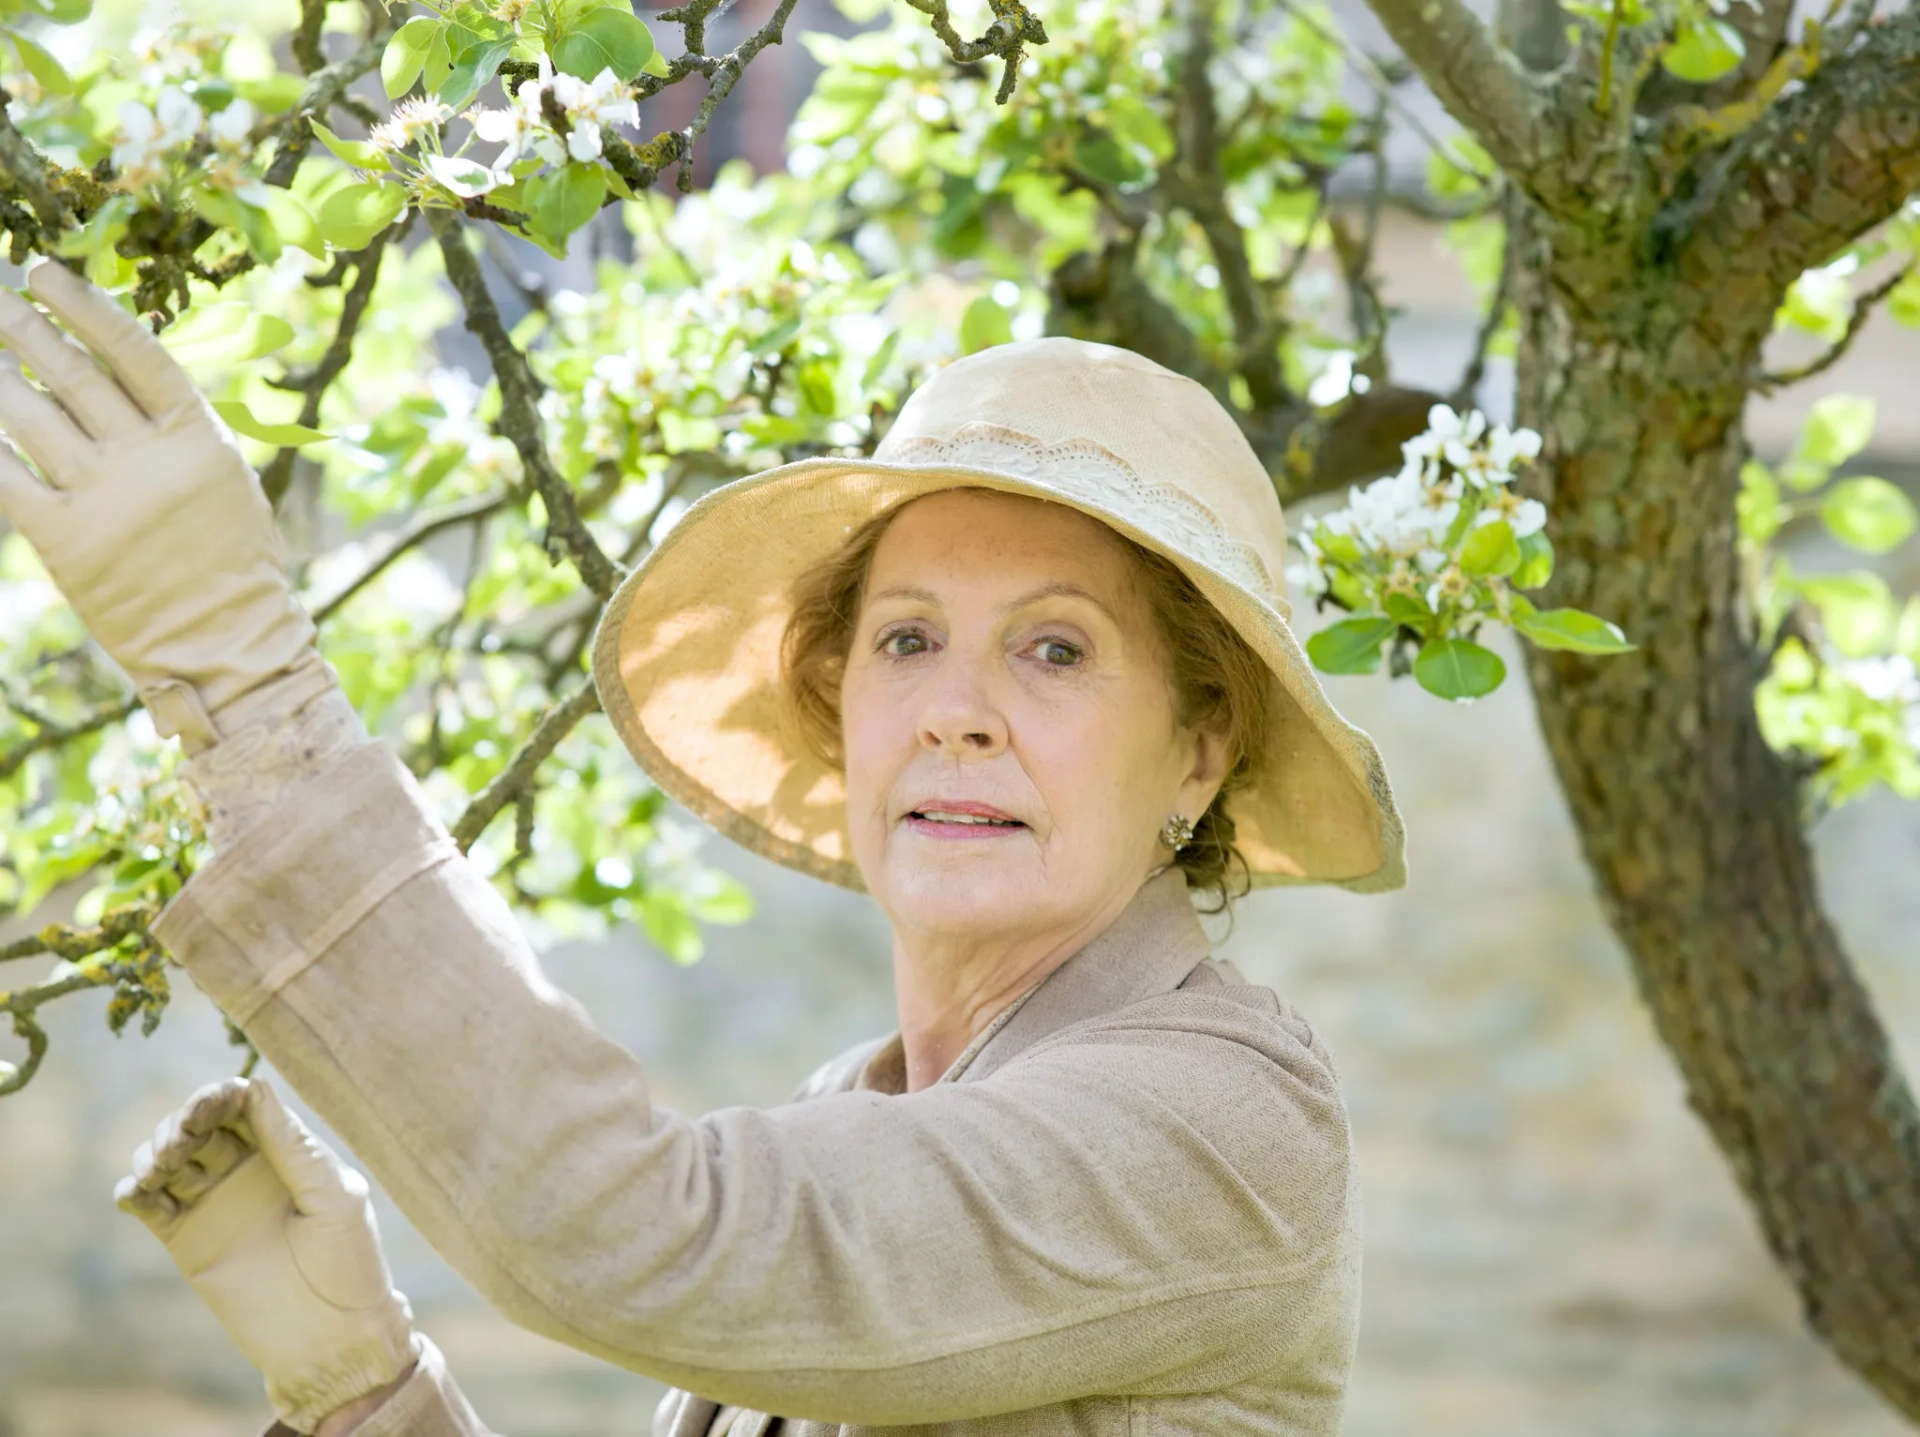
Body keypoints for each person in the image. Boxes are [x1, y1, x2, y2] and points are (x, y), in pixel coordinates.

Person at [0, 254, 1407, 1437]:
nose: (958, 716)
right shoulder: (855, 1114)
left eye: (1055, 649)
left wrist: (248, 686)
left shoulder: (1227, 1125)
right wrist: (369, 1387)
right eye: (908, 639)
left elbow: (650, 1236)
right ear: (837, 696)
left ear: (1200, 751)